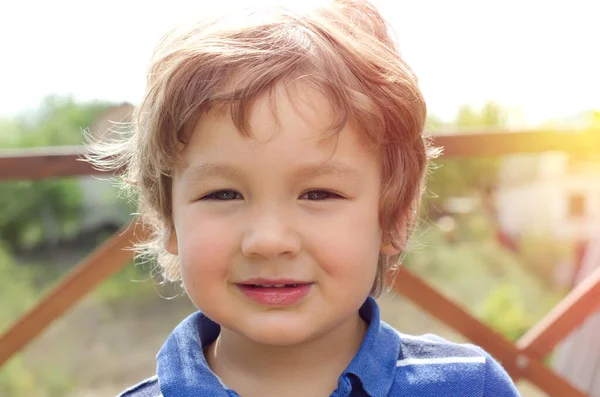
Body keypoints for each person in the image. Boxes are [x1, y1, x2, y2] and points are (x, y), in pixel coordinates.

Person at [90, 0, 521, 395]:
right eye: (223, 193)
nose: (268, 240)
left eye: (318, 193)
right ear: (169, 219)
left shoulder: (469, 387)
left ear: (393, 217)